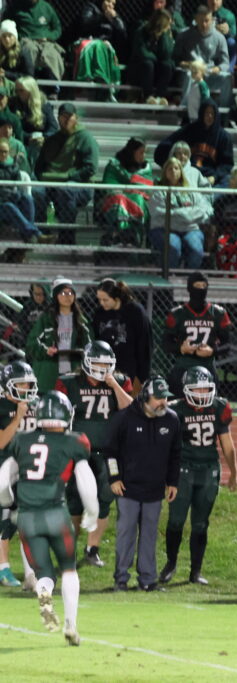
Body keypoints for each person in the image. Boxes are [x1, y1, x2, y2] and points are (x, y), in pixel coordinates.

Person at [0, 391, 97, 646]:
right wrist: (92, 513)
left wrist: (8, 503)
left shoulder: (22, 440)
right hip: (55, 514)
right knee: (68, 569)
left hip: (27, 518)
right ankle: (71, 624)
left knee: (43, 572)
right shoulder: (74, 441)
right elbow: (86, 481)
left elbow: (2, 480)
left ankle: (44, 594)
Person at [54, 341, 133, 569]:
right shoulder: (69, 382)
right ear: (87, 362)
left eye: (106, 364)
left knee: (105, 497)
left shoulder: (119, 381)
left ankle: (92, 549)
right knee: (74, 501)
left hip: (109, 452)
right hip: (78, 451)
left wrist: (113, 385)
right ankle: (69, 550)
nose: (102, 368)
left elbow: (131, 410)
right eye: (97, 363)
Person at [159, 366, 237, 586]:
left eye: (205, 389)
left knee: (201, 524)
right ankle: (171, 563)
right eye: (197, 389)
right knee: (176, 520)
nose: (202, 394)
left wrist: (234, 473)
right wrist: (167, 477)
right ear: (186, 389)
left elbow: (227, 443)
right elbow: (167, 448)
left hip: (209, 470)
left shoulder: (219, 407)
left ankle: (195, 571)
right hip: (183, 470)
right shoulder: (176, 410)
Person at [107, 375, 181, 592]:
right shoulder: (124, 418)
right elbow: (110, 452)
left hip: (155, 489)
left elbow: (176, 454)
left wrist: (173, 482)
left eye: (165, 398)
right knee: (126, 534)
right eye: (158, 398)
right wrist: (114, 478)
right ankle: (121, 579)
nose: (163, 402)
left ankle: (148, 580)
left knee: (149, 535)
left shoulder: (172, 420)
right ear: (145, 398)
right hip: (128, 488)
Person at [33, 103, 99, 242]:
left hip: (79, 185)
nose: (67, 119)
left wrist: (68, 176)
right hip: (51, 183)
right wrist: (46, 178)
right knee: (37, 191)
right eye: (63, 116)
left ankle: (67, 236)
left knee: (66, 190)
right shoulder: (52, 140)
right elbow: (39, 167)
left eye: (70, 116)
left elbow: (91, 168)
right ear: (58, 118)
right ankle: (42, 234)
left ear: (76, 118)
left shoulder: (86, 138)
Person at [0, 360, 38, 589]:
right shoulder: (2, 406)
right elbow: (2, 442)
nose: (26, 388)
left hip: (28, 468)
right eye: (21, 384)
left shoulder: (36, 403)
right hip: (4, 467)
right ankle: (3, 568)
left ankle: (31, 573)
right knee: (4, 518)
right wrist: (18, 418)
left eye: (28, 383)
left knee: (26, 518)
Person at [162, 272, 232, 397]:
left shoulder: (218, 313)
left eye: (204, 286)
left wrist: (212, 351)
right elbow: (165, 344)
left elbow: (228, 344)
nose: (201, 289)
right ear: (189, 288)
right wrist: (181, 348)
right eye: (197, 286)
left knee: (207, 406)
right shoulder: (177, 313)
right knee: (178, 405)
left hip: (207, 368)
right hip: (183, 368)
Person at [26, 277, 92, 393]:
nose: (68, 296)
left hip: (74, 374)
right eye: (63, 293)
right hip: (49, 375)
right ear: (55, 296)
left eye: (71, 293)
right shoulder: (46, 319)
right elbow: (31, 343)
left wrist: (81, 352)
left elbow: (90, 346)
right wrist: (46, 350)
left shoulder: (81, 321)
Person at [148, 157, 212, 270]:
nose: (173, 171)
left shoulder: (190, 191)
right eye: (170, 169)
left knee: (196, 249)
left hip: (190, 229)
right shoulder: (158, 192)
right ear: (165, 172)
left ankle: (189, 276)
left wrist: (175, 214)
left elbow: (204, 209)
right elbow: (158, 212)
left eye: (176, 168)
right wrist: (188, 215)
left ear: (181, 172)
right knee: (174, 247)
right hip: (165, 229)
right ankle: (169, 275)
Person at [155, 98, 235, 188]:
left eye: (212, 113)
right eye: (207, 113)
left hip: (211, 178)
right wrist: (172, 167)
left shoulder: (224, 137)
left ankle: (211, 195)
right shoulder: (189, 130)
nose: (209, 116)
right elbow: (162, 149)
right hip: (188, 174)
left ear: (216, 115)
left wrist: (215, 177)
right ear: (201, 113)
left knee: (227, 180)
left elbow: (227, 164)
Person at [91, 278, 153, 395]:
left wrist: (142, 377)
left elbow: (145, 345)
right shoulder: (99, 313)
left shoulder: (135, 311)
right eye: (99, 299)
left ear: (117, 298)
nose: (102, 303)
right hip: (106, 371)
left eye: (105, 300)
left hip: (130, 372)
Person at [171, 5, 232, 114]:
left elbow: (225, 63)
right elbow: (175, 59)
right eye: (201, 21)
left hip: (209, 73)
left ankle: (224, 112)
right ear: (195, 20)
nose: (204, 24)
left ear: (212, 20)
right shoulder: (184, 35)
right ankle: (185, 109)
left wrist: (217, 69)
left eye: (207, 21)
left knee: (227, 78)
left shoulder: (219, 37)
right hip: (190, 72)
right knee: (188, 75)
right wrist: (187, 65)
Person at [98, 137, 155, 247]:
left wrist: (132, 189)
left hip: (140, 202)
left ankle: (132, 236)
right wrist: (127, 190)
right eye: (141, 152)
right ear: (132, 152)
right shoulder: (114, 166)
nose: (144, 156)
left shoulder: (146, 168)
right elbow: (108, 185)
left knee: (138, 198)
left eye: (145, 153)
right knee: (119, 199)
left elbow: (147, 188)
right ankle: (121, 234)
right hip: (115, 202)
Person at [5, 0, 64, 80]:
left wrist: (48, 37)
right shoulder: (15, 8)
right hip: (26, 41)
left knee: (52, 54)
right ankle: (29, 81)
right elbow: (7, 26)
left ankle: (54, 84)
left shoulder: (46, 7)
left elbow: (57, 28)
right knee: (29, 50)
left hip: (46, 42)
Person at [127, 8, 175, 104]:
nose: (169, 26)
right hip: (141, 71)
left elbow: (167, 54)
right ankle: (148, 96)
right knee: (148, 64)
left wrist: (163, 36)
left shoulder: (165, 34)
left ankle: (160, 96)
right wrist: (156, 58)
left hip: (156, 70)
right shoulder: (141, 32)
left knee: (167, 65)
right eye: (168, 24)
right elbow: (143, 53)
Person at [0, 138, 42, 244]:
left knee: (27, 199)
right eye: (0, 151)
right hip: (3, 205)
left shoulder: (12, 167)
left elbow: (18, 184)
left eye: (5, 152)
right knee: (9, 206)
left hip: (10, 200)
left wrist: (16, 163)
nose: (3, 154)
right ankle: (36, 234)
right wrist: (11, 195)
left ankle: (29, 237)